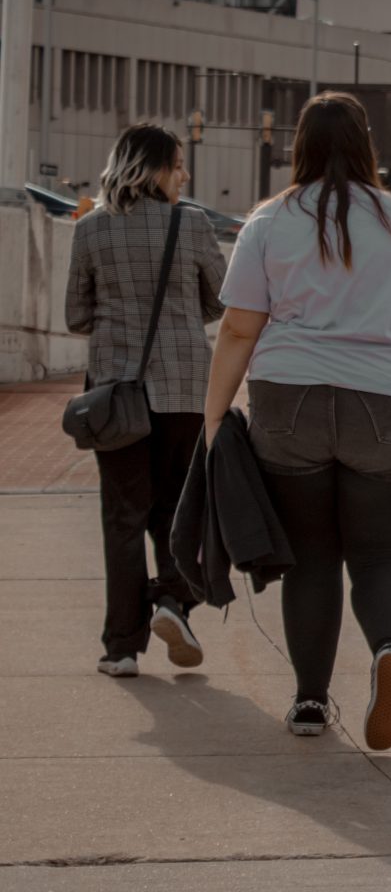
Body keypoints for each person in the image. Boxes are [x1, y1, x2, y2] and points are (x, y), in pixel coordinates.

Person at [204, 91, 391, 749]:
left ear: (300, 146)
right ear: (365, 145)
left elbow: (237, 328)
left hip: (291, 402)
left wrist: (213, 420)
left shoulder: (267, 223)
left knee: (312, 557)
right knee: (386, 557)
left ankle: (311, 702)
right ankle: (390, 648)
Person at [67, 123, 227, 679]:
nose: (184, 174)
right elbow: (220, 300)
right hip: (184, 390)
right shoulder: (193, 224)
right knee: (177, 511)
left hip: (116, 397)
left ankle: (122, 648)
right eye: (178, 164)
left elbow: (75, 316)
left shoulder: (90, 229)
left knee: (123, 517)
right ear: (156, 168)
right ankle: (172, 602)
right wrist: (183, 316)